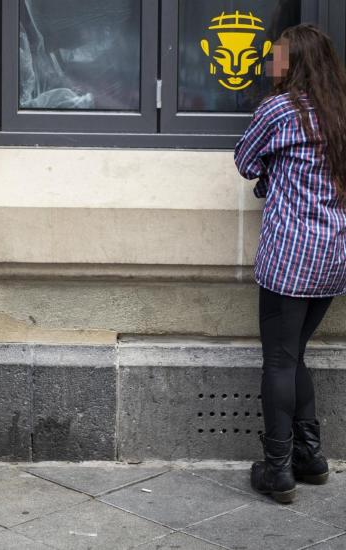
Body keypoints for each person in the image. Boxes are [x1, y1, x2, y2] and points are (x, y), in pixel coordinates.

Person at [235, 24, 346, 504]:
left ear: (293, 62)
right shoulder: (340, 113)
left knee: (279, 359)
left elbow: (244, 160)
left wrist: (270, 176)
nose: (268, 63)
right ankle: (311, 457)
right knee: (295, 353)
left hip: (290, 255)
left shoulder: (278, 110)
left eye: (276, 56)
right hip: (334, 255)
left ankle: (278, 469)